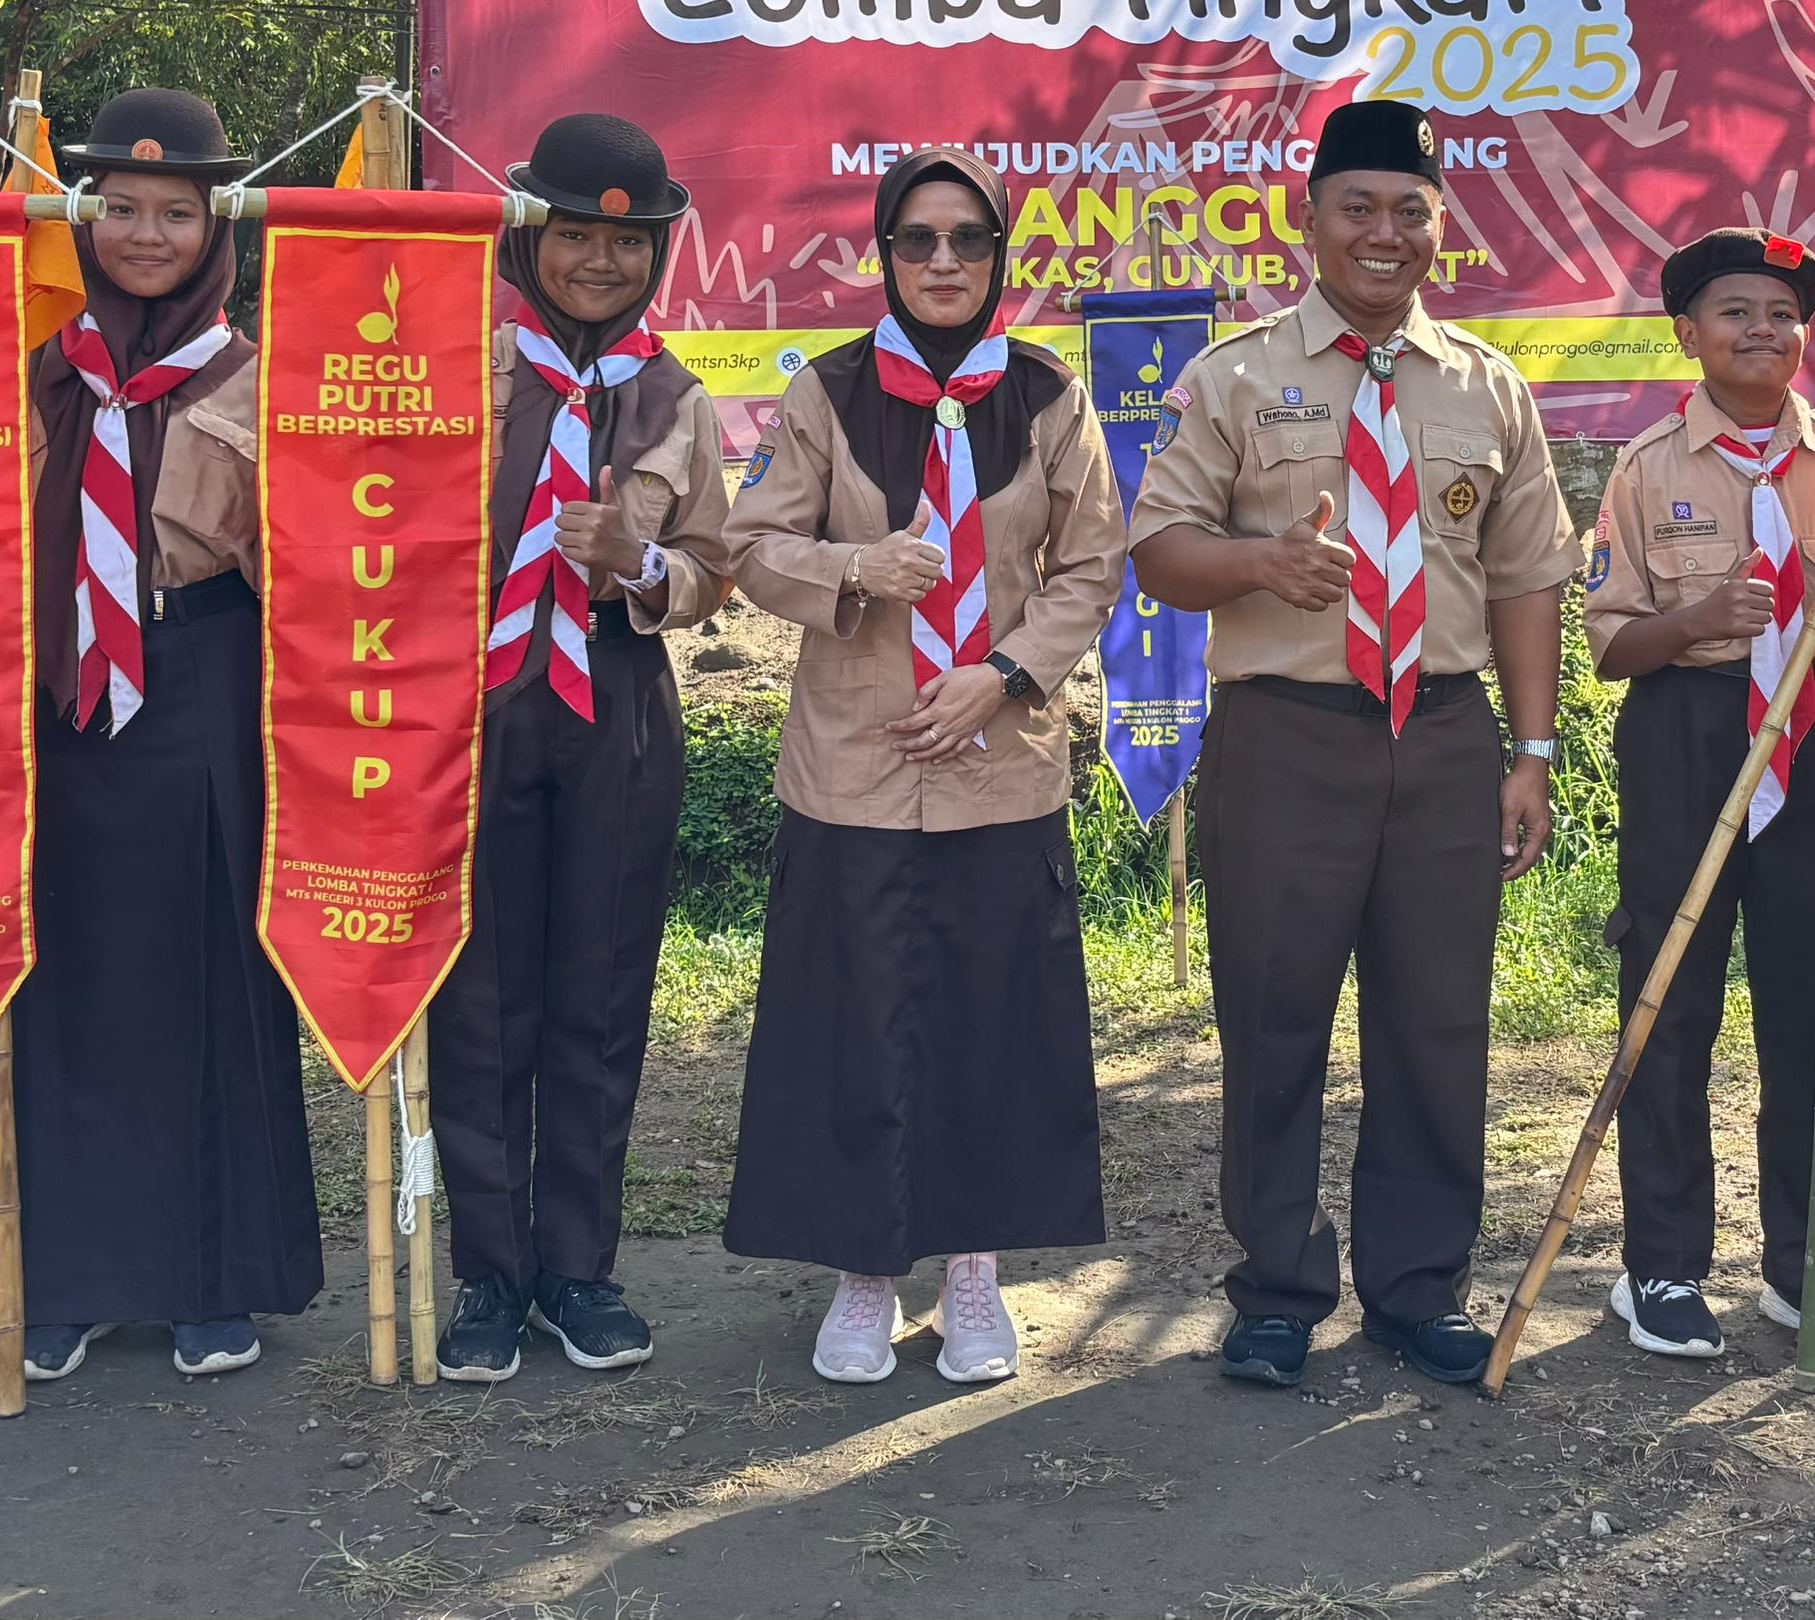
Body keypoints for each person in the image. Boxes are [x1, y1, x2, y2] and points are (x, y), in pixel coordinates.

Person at [1129, 99, 1585, 1390]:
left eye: (1409, 210)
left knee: (1439, 1024)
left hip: (1444, 736)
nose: (1385, 234)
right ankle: (1276, 1288)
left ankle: (1416, 1285)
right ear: (1310, 220)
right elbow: (1160, 552)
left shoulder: (1491, 388)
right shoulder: (1237, 374)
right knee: (1273, 1021)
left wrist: (1533, 752)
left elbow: (1528, 579)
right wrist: (1260, 560)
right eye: (1358, 208)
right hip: (1287, 740)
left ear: (1440, 224)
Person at [719, 149, 1124, 1385]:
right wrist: (854, 570)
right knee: (848, 1020)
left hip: (997, 763)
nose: (941, 262)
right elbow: (747, 545)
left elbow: (1093, 567)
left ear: (998, 258)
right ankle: (859, 1274)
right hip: (856, 766)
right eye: (916, 241)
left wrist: (999, 675)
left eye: (965, 240)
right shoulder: (825, 395)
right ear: (881, 256)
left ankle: (971, 1270)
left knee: (989, 1023)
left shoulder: (1050, 394)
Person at [0, 86, 318, 1380]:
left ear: (219, 229)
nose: (145, 234)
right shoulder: (25, 360)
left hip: (204, 675)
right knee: (58, 981)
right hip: (41, 692)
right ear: (78, 216)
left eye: (176, 212)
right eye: (118, 208)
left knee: (207, 975)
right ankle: (56, 1276)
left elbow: (309, 564)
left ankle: (214, 1275)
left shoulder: (262, 374)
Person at [431, 114, 736, 1381]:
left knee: (600, 993)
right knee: (482, 995)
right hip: (474, 702)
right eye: (574, 235)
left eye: (626, 240)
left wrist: (642, 563)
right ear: (527, 236)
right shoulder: (458, 369)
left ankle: (579, 1269)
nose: (599, 262)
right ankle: (489, 1276)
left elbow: (718, 566)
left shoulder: (674, 397)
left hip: (614, 701)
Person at [1581, 228, 1815, 1369]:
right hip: (1687, 735)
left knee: (1807, 1016)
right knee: (1669, 1005)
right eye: (1733, 311)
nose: (1760, 330)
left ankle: (1805, 1261)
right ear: (1686, 334)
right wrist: (1691, 625)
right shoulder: (1646, 467)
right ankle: (1660, 1264)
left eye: (1781, 312)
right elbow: (1610, 646)